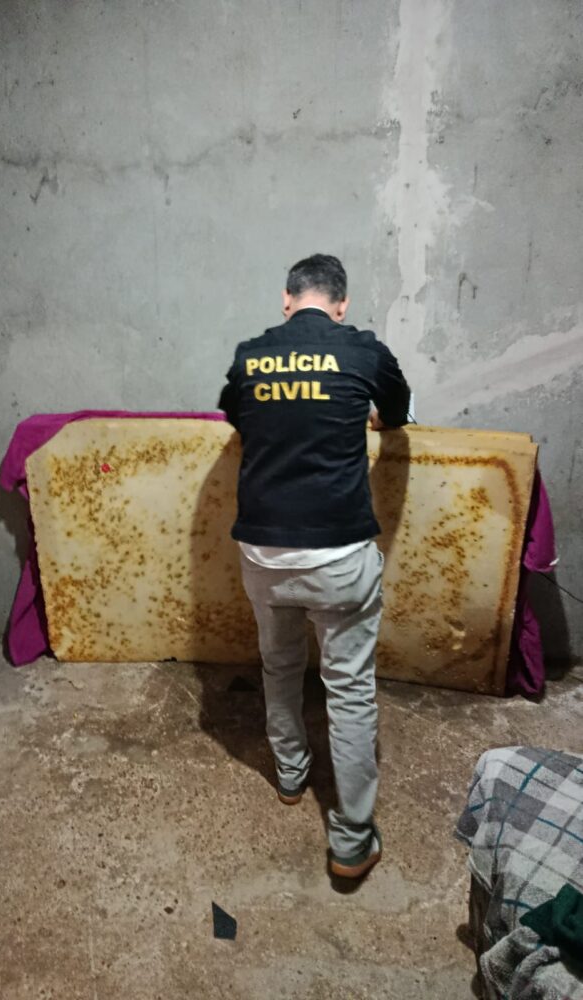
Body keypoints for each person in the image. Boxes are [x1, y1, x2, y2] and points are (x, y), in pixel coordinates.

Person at [218, 253, 410, 879]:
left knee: (279, 665)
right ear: (341, 304)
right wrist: (367, 416)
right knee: (348, 689)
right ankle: (351, 840)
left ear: (286, 299)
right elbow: (397, 411)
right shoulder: (362, 350)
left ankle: (290, 775)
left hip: (264, 554)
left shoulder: (250, 356)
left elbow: (237, 417)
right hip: (338, 556)